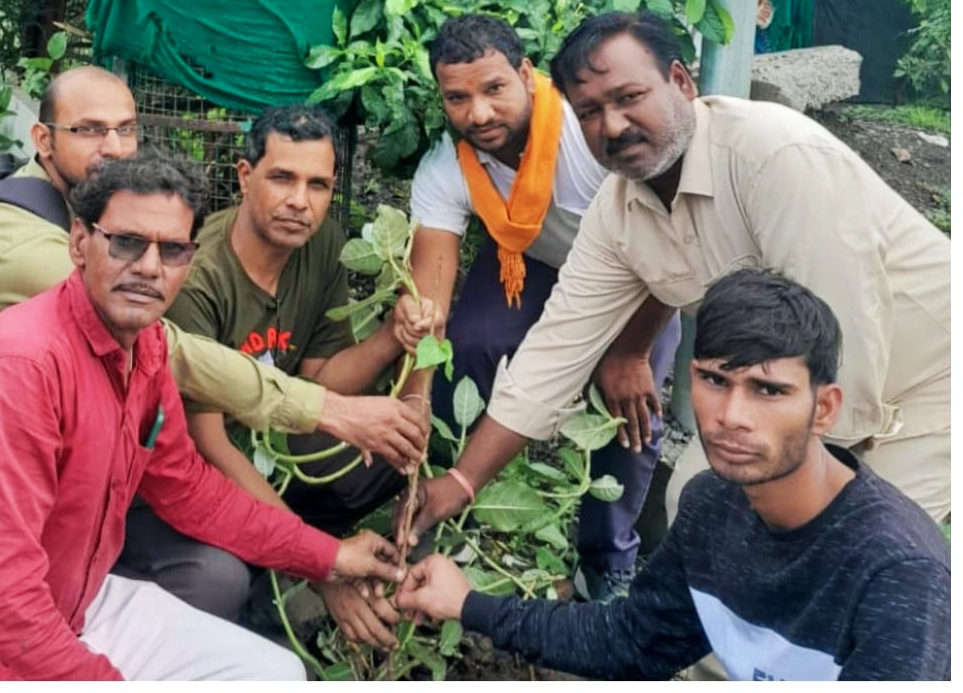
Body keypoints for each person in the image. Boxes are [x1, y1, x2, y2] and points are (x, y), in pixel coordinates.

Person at [0, 66, 427, 681]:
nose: (149, 268)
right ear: (79, 244)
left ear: (188, 254)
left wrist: (331, 555)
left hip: (74, 600)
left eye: (172, 250)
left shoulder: (142, 348)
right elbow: (3, 608)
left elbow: (190, 489)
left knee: (272, 671)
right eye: (126, 243)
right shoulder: (25, 358)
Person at [398, 11, 950, 557]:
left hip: (929, 387)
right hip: (794, 392)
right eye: (589, 112)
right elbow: (553, 353)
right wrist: (461, 484)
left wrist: (784, 516)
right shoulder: (618, 211)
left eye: (629, 97)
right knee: (698, 502)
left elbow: (841, 355)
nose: (612, 126)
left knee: (853, 558)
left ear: (681, 83)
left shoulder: (774, 157)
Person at [395, 268, 951, 681]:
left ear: (824, 408)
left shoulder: (899, 573)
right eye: (715, 381)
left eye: (768, 390)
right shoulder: (714, 504)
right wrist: (469, 604)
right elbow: (633, 641)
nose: (732, 416)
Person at [392, 13, 681, 601]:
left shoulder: (589, 130)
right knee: (466, 346)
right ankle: (446, 504)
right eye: (457, 97)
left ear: (525, 75)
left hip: (635, 272)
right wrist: (414, 402)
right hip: (531, 268)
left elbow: (669, 239)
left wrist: (629, 350)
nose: (478, 113)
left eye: (494, 88)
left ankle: (607, 560)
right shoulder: (450, 167)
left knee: (628, 402)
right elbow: (430, 299)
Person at [153, 103, 433, 649]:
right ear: (244, 176)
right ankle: (275, 568)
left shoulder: (321, 242)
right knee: (224, 574)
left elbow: (323, 380)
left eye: (318, 185)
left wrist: (391, 338)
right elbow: (212, 447)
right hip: (209, 465)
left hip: (279, 440)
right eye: (282, 178)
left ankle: (292, 547)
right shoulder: (199, 279)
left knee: (395, 452)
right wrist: (321, 567)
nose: (300, 202)